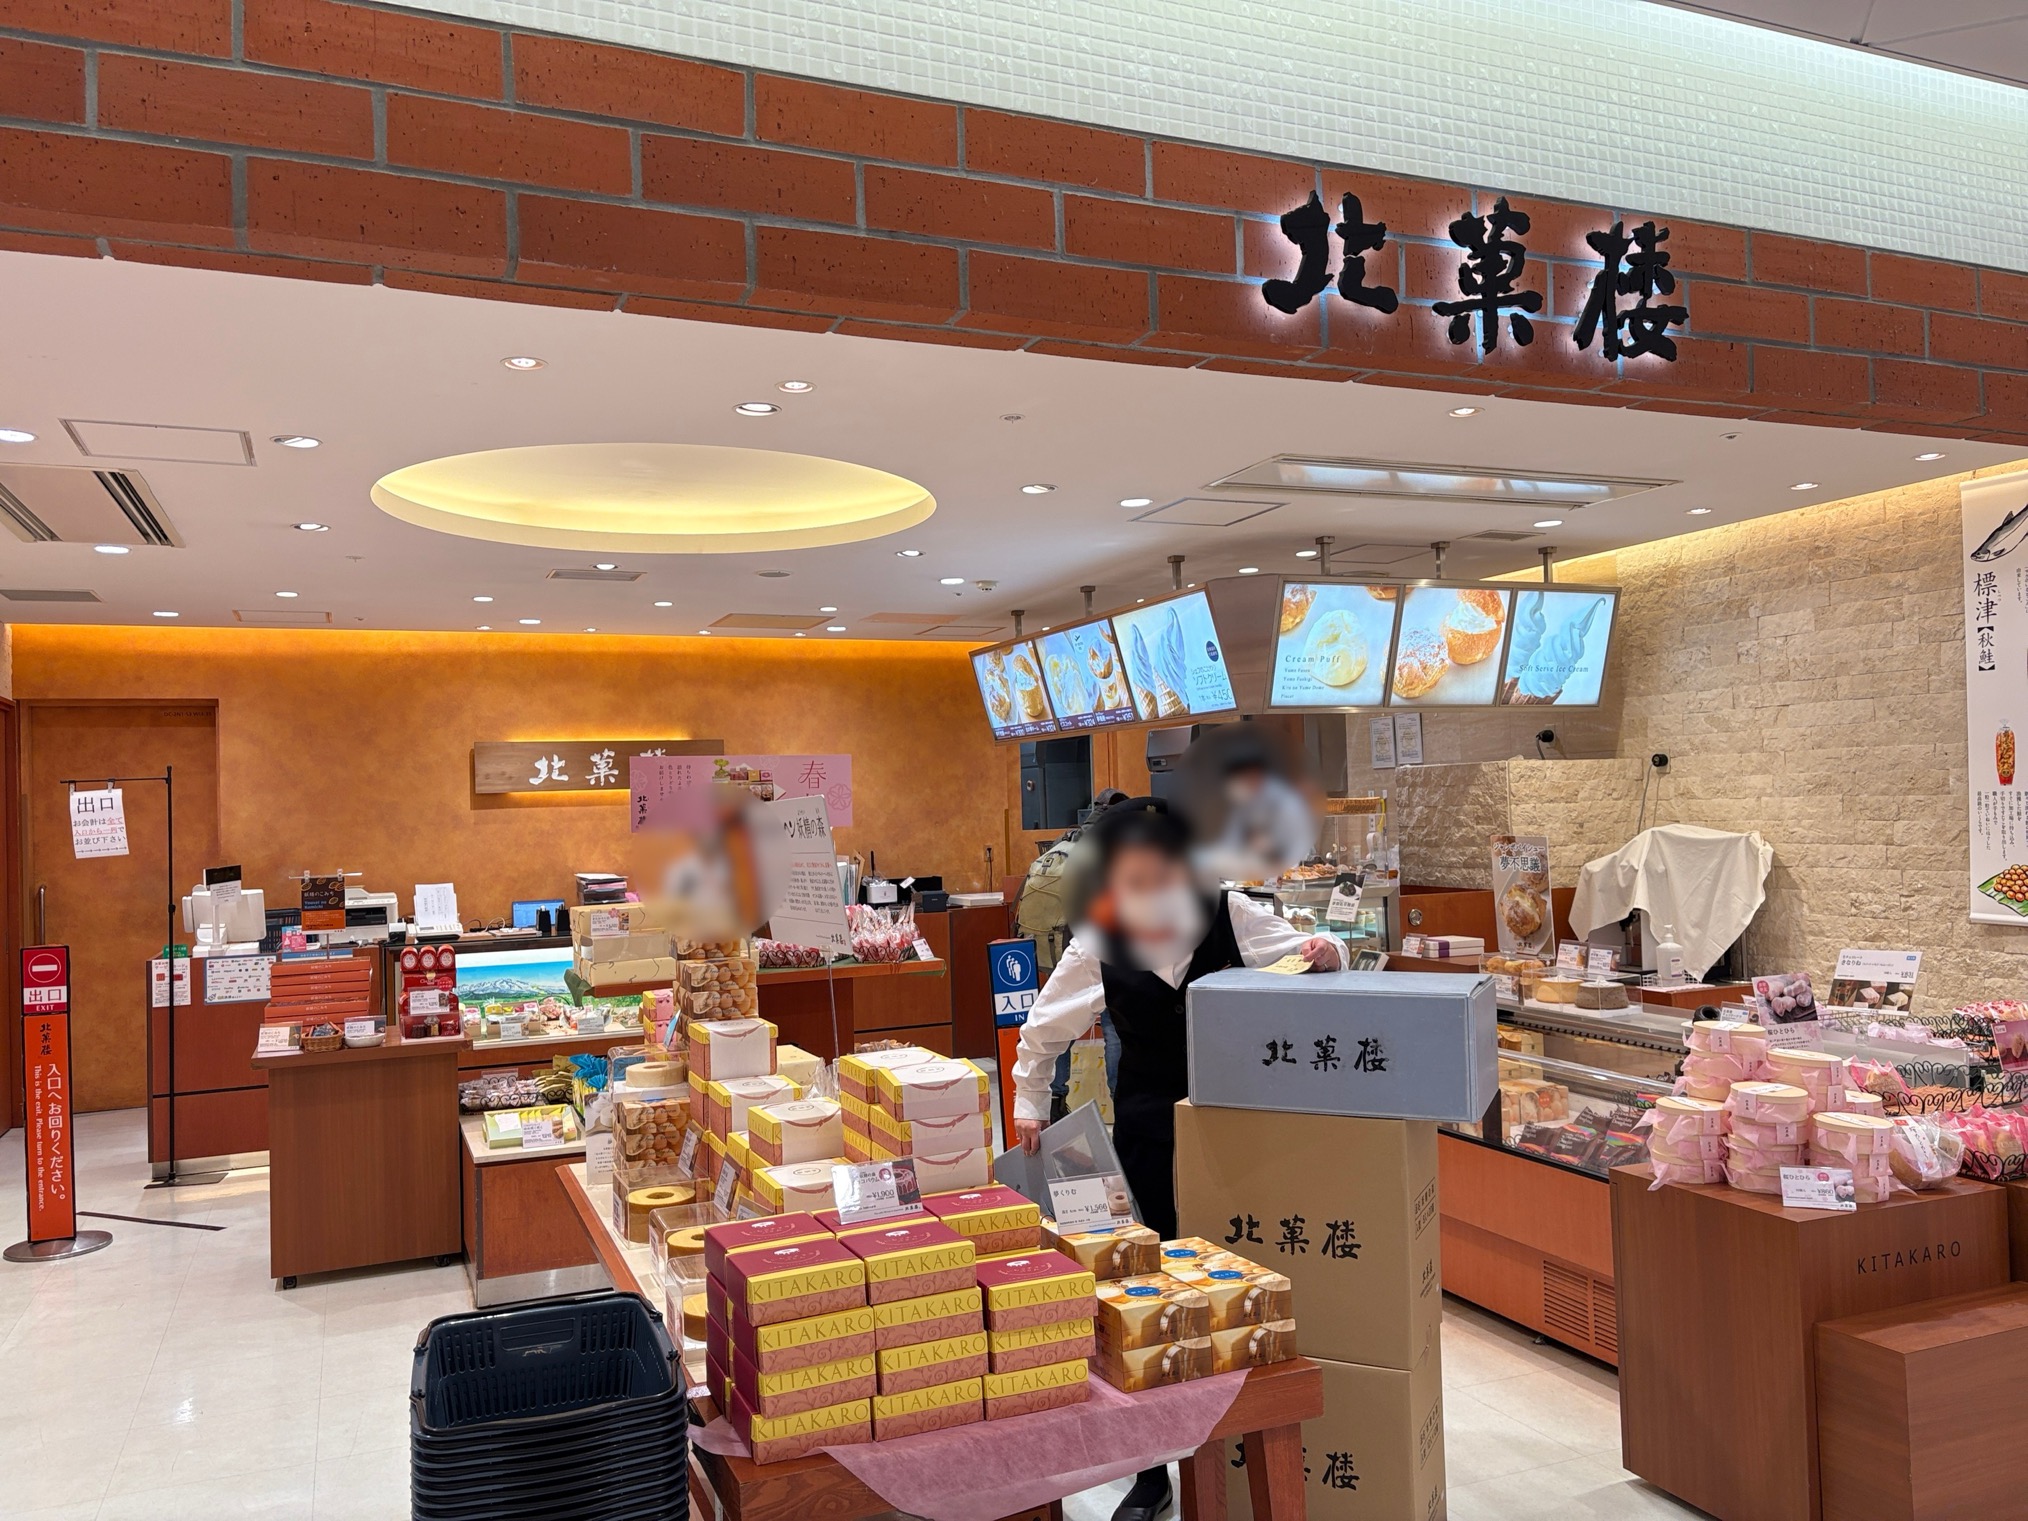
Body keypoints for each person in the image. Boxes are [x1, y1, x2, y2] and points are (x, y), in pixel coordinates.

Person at [1010, 795, 1341, 1521]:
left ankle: (1245, 1441)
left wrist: (1328, 953)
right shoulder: (1102, 937)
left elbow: (1315, 953)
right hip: (1147, 1133)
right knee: (1154, 1297)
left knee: (1240, 1279)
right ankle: (1152, 1470)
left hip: (1235, 1133)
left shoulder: (1232, 913)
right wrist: (1030, 1103)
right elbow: (1043, 1028)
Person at [1015, 788, 1128, 1119]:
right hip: (1102, 951)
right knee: (1116, 1028)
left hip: (1058, 949)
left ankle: (1055, 1101)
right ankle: (1121, 1100)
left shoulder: (1065, 843)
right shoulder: (1114, 847)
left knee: (1056, 1023)